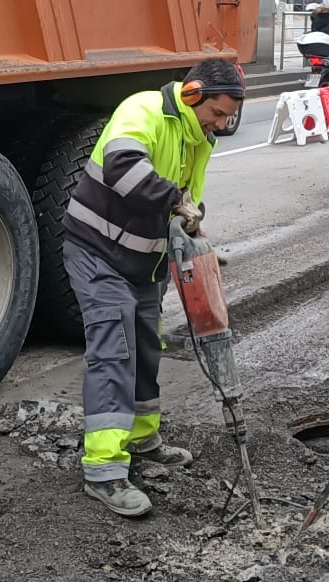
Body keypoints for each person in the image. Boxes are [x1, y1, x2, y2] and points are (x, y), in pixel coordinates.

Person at [63, 58, 246, 517]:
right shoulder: (143, 110)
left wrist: (192, 237)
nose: (221, 125)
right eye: (217, 113)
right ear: (192, 95)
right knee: (115, 345)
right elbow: (124, 168)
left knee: (146, 343)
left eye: (227, 117)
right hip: (97, 251)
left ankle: (142, 438)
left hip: (145, 262)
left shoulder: (197, 138)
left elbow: (186, 206)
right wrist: (178, 203)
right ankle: (104, 470)